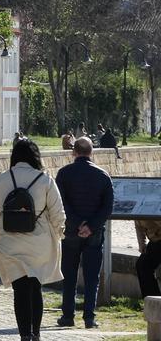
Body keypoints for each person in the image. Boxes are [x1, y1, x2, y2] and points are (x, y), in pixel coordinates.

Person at [0, 139, 66, 341]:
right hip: (38, 242)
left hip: (10, 242)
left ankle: (25, 339)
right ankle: (36, 335)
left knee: (20, 290)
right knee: (35, 287)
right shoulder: (45, 179)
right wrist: (59, 234)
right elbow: (58, 213)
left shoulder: (1, 180)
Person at [54, 137, 114, 328]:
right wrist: (91, 226)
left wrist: (78, 223)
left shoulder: (63, 174)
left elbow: (61, 204)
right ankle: (89, 317)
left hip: (71, 231)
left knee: (69, 274)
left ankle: (68, 316)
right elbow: (107, 207)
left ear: (74, 152)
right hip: (94, 233)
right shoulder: (103, 176)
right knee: (91, 276)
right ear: (91, 152)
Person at [136, 218, 161, 298]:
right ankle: (151, 299)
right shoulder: (138, 209)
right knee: (142, 265)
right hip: (154, 241)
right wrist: (142, 244)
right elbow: (138, 226)